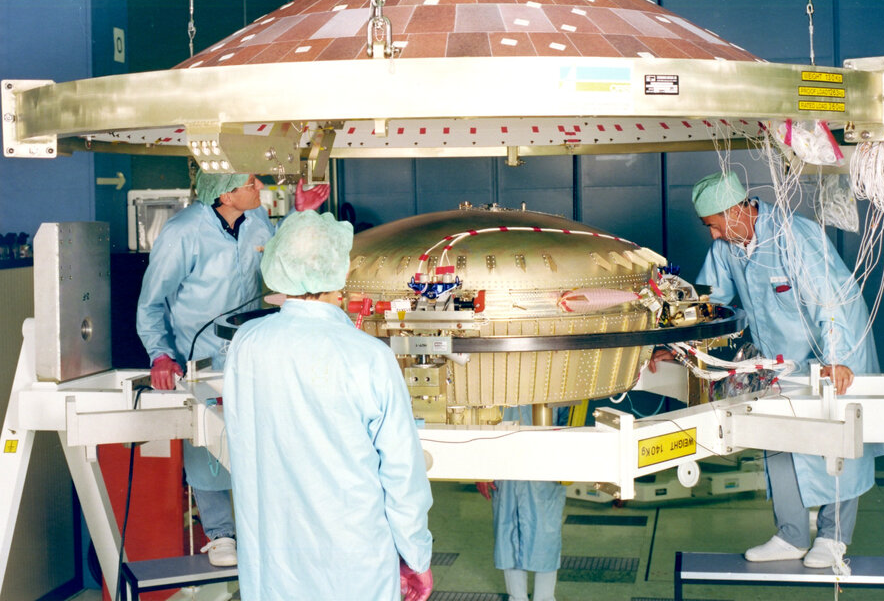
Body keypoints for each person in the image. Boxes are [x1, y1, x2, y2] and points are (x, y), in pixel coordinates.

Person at [652, 171, 884, 568]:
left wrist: (838, 357)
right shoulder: (728, 247)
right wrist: (679, 348)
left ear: (734, 212)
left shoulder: (796, 237)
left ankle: (833, 538)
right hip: (780, 361)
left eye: (713, 226)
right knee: (777, 436)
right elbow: (713, 306)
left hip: (833, 352)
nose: (712, 236)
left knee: (838, 441)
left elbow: (831, 300)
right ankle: (792, 534)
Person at [222, 210, 433, 601]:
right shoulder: (368, 355)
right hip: (354, 560)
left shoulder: (247, 344)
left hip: (273, 557)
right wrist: (416, 556)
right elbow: (402, 474)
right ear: (341, 272)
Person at [137, 171, 327, 566]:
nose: (260, 189)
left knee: (266, 440)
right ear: (225, 193)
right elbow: (151, 303)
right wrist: (160, 355)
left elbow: (283, 259)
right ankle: (221, 533)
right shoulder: (182, 233)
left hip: (252, 350)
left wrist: (299, 214)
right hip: (200, 355)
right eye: (251, 184)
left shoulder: (256, 221)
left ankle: (272, 531)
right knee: (205, 441)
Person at [477, 405, 565, 601]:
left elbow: (570, 419)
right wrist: (480, 467)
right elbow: (478, 418)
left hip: (545, 467)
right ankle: (516, 597)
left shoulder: (556, 377)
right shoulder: (494, 376)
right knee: (508, 534)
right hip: (503, 464)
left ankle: (545, 597)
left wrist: (566, 460)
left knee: (545, 535)